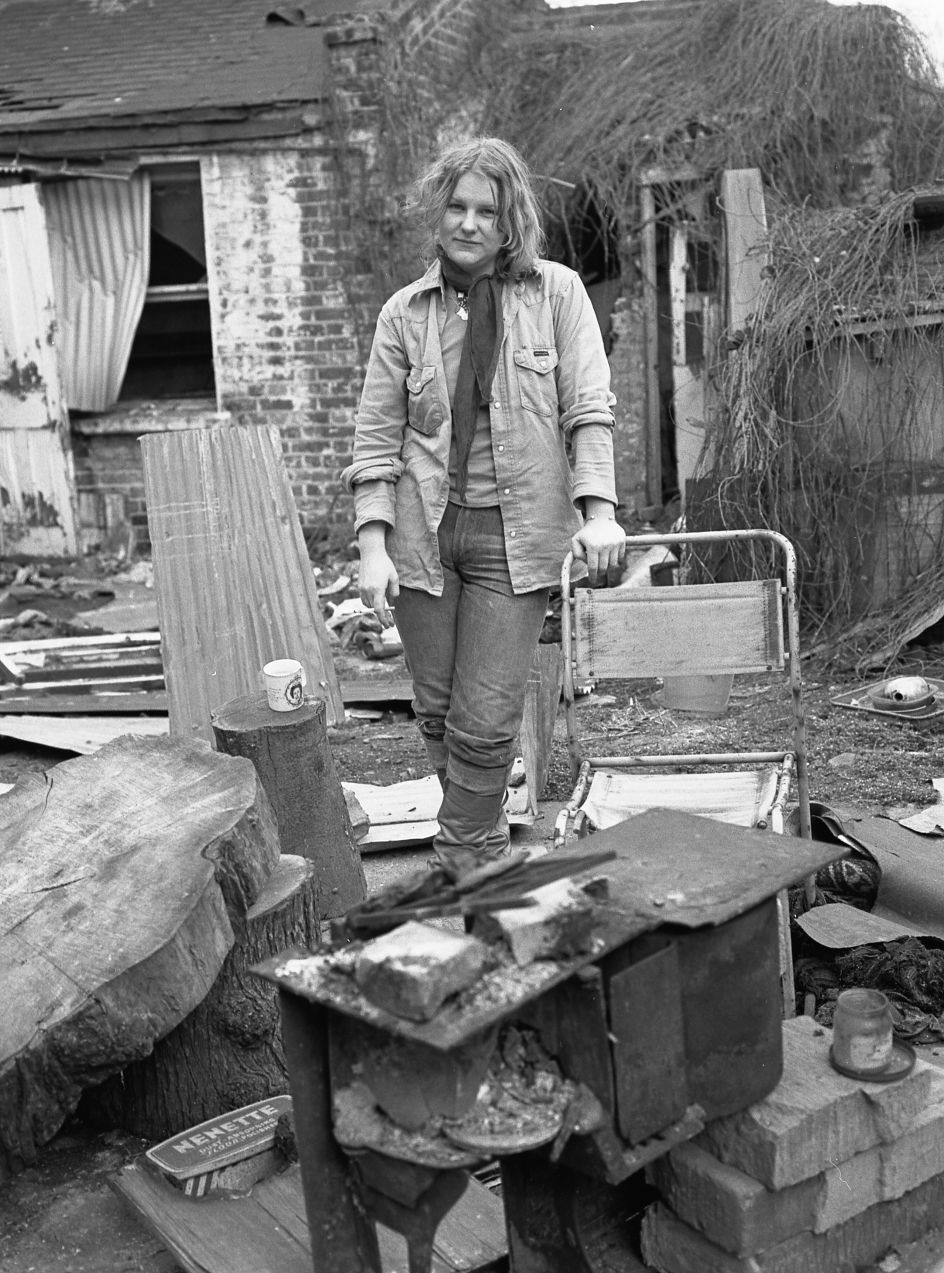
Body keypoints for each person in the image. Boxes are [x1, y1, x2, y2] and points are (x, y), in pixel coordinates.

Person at [340, 135, 625, 883]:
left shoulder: (557, 294)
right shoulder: (404, 314)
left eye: (486, 210)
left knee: (485, 720)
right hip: (423, 538)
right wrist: (373, 545)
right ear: (439, 213)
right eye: (457, 206)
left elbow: (587, 409)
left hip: (515, 537)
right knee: (436, 717)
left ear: (509, 221)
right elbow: (376, 438)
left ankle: (464, 868)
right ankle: (489, 849)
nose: (468, 223)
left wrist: (597, 511)